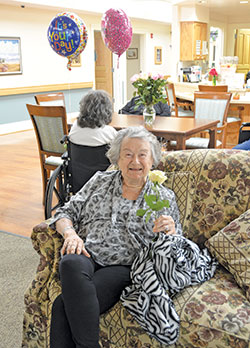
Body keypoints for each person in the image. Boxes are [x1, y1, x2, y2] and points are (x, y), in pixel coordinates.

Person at [49, 126, 182, 348]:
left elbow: (176, 247)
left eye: (142, 154)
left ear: (152, 160)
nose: (135, 161)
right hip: (88, 253)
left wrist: (171, 232)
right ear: (117, 158)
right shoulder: (99, 181)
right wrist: (71, 234)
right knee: (70, 261)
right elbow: (64, 213)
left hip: (124, 266)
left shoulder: (162, 197)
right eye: (128, 154)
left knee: (62, 306)